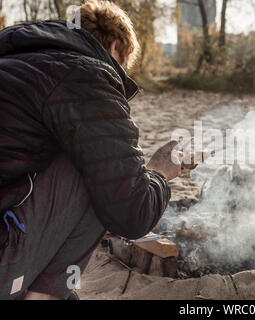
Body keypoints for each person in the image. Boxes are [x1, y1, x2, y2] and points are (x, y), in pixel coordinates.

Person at [0, 0, 182, 300]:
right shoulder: (86, 73)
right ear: (113, 47)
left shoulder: (19, 62)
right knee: (99, 170)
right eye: (123, 69)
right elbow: (132, 214)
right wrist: (160, 172)